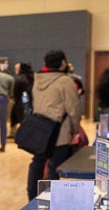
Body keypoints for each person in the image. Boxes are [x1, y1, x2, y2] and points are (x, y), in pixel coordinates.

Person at [27, 50, 81, 200]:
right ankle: (51, 200)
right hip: (60, 131)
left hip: (40, 129)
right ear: (63, 62)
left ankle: (32, 197)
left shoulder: (37, 79)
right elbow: (74, 108)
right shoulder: (65, 81)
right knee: (55, 166)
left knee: (37, 162)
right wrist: (75, 130)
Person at [10, 62, 34, 137]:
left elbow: (15, 91)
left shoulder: (19, 78)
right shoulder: (33, 77)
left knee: (19, 118)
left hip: (20, 101)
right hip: (31, 101)